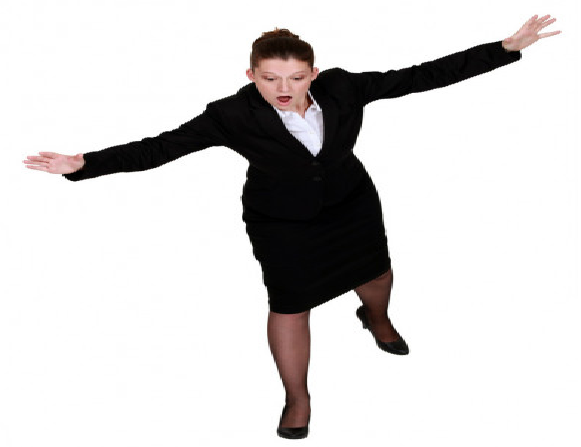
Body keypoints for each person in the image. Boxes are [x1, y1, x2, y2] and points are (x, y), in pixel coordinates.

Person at [22, 14, 561, 440]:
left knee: (375, 273)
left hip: (350, 204)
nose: (284, 88)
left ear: (314, 74)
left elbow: (420, 76)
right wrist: (85, 163)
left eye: (296, 78)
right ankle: (298, 397)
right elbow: (159, 148)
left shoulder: (344, 89)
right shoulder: (230, 115)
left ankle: (376, 319)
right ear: (251, 75)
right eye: (270, 78)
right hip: (281, 220)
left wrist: (504, 49)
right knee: (290, 303)